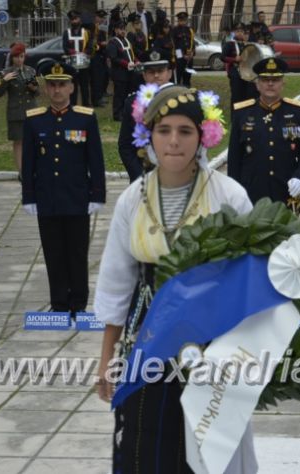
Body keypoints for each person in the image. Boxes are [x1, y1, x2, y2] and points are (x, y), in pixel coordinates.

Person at [94, 84, 255, 473]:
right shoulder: (133, 199)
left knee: (205, 451)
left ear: (204, 136)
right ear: (147, 135)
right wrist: (106, 359)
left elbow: (251, 283)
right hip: (146, 345)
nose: (174, 142)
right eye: (163, 130)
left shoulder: (229, 197)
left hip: (211, 348)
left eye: (185, 131)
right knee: (142, 446)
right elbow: (117, 283)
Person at [22, 60, 106, 316]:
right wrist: (29, 196)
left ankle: (78, 304)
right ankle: (59, 305)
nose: (57, 90)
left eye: (62, 85)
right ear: (46, 89)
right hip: (47, 199)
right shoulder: (35, 121)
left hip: (77, 197)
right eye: (52, 85)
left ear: (71, 88)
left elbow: (95, 159)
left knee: (77, 254)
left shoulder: (85, 119)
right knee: (54, 254)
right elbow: (28, 162)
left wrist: (97, 194)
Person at [228, 57, 300, 215]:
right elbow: (234, 158)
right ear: (257, 84)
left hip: (286, 191)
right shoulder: (242, 113)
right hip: (251, 193)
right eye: (265, 79)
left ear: (283, 83)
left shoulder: (296, 112)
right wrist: (234, 192)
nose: (270, 84)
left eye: (275, 80)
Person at [118, 52, 172, 182]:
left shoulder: (180, 98)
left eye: (160, 71)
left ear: (169, 73)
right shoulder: (132, 102)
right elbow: (125, 145)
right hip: (143, 173)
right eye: (151, 72)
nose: (156, 75)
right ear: (144, 75)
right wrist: (138, 176)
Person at [0, 42, 38, 178]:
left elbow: (37, 93)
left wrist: (33, 88)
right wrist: (5, 81)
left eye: (22, 56)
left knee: (31, 141)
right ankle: (21, 172)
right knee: (18, 142)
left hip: (30, 110)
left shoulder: (30, 71)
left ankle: (31, 168)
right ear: (12, 58)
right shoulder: (6, 72)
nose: (19, 60)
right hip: (15, 112)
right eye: (17, 57)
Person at [107, 21, 137, 122]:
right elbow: (113, 58)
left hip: (130, 72)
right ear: (116, 30)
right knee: (119, 94)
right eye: (120, 29)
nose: (123, 31)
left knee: (128, 94)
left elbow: (132, 55)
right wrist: (126, 64)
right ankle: (117, 114)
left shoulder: (127, 41)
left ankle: (126, 112)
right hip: (119, 73)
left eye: (124, 29)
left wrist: (136, 61)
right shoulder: (112, 42)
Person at [62, 10, 91, 107]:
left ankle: (86, 105)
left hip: (83, 64)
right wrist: (75, 53)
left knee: (84, 86)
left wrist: (84, 53)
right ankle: (72, 106)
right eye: (72, 19)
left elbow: (90, 47)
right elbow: (65, 47)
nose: (74, 21)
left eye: (76, 19)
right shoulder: (67, 33)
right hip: (71, 64)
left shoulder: (86, 32)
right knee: (72, 86)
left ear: (80, 19)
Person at [222, 23, 250, 107]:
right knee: (236, 95)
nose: (240, 33)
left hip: (246, 72)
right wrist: (234, 59)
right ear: (234, 32)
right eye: (237, 31)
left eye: (241, 31)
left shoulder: (246, 44)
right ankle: (235, 115)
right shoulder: (230, 44)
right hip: (235, 72)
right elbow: (222, 57)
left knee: (246, 94)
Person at [88, 10, 109, 108]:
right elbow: (93, 43)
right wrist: (101, 44)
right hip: (95, 56)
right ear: (96, 17)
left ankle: (99, 97)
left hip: (102, 55)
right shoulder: (92, 28)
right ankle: (96, 100)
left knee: (101, 78)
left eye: (103, 18)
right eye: (100, 17)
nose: (102, 20)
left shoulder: (101, 29)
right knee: (96, 79)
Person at [172, 12, 195, 87]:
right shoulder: (174, 30)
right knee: (178, 78)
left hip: (189, 59)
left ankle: (187, 91)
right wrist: (182, 56)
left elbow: (193, 43)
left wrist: (192, 53)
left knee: (187, 78)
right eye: (181, 20)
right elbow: (174, 45)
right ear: (178, 20)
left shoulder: (190, 30)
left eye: (184, 20)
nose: (183, 22)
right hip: (179, 59)